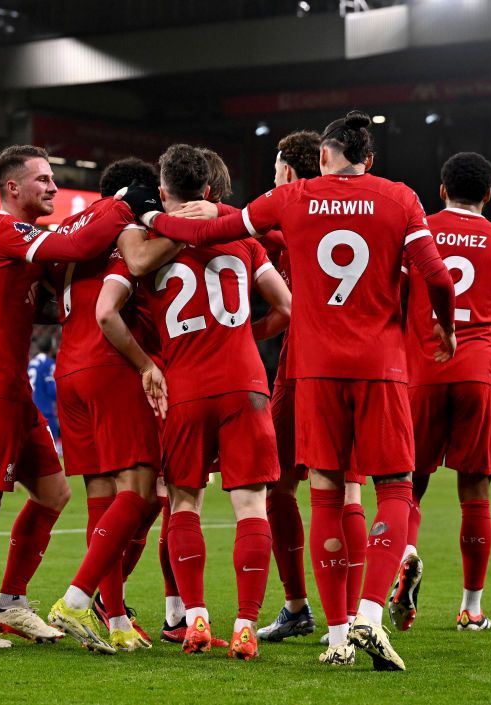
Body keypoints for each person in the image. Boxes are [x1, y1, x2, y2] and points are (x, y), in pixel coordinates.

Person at [120, 111, 456, 671]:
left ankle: (337, 633)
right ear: (367, 159)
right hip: (380, 366)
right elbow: (439, 278)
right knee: (390, 489)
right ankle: (371, 614)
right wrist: (446, 327)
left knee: (319, 491)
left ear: (321, 156)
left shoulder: (293, 199)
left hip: (313, 368)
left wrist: (155, 211)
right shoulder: (400, 198)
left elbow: (203, 232)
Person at [0, 144, 142, 649]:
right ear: (12, 188)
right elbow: (73, 246)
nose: (52, 187)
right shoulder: (4, 231)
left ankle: (10, 603)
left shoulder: (26, 243)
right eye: (44, 180)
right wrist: (121, 204)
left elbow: (69, 266)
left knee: (54, 494)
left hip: (13, 392)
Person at [118, 144, 293, 660]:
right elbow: (286, 307)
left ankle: (194, 619)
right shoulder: (242, 239)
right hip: (245, 382)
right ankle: (244, 625)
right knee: (251, 506)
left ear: (165, 191)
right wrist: (244, 334)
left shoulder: (149, 243)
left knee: (185, 500)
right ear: (212, 193)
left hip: (184, 386)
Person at [396, 152, 491, 633]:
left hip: (421, 375)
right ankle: (471, 608)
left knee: (408, 484)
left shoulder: (417, 233)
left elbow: (395, 304)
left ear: (441, 189)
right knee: (474, 492)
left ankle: (405, 553)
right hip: (480, 376)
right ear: (489, 195)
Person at [45, 158, 171, 653]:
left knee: (102, 500)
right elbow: (117, 300)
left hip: (68, 370)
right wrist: (145, 363)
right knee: (139, 491)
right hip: (110, 365)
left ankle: (116, 620)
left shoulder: (76, 227)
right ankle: (75, 601)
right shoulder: (123, 228)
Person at [27, 340, 59, 453]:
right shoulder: (49, 363)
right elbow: (52, 390)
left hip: (29, 410)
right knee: (51, 452)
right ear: (51, 348)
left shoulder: (31, 363)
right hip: (45, 411)